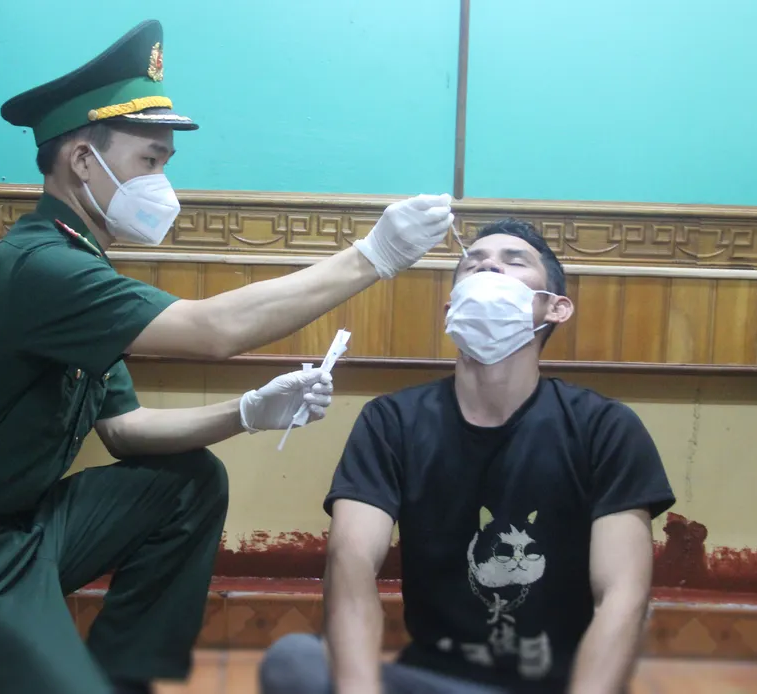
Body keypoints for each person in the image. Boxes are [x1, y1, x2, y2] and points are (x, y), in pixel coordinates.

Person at [0, 19, 454, 694]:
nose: (162, 182)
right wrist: (373, 256)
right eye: (150, 161)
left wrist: (248, 411)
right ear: (82, 161)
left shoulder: (77, 268)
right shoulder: (40, 269)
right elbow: (214, 330)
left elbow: (125, 430)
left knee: (188, 484)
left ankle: (126, 674)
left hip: (25, 536)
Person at [260, 218, 677, 694]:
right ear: (450, 308)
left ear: (556, 307)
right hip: (431, 681)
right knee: (295, 662)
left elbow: (623, 596)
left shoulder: (605, 428)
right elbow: (350, 563)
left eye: (513, 261)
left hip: (555, 686)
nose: (488, 268)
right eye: (472, 263)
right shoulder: (392, 421)